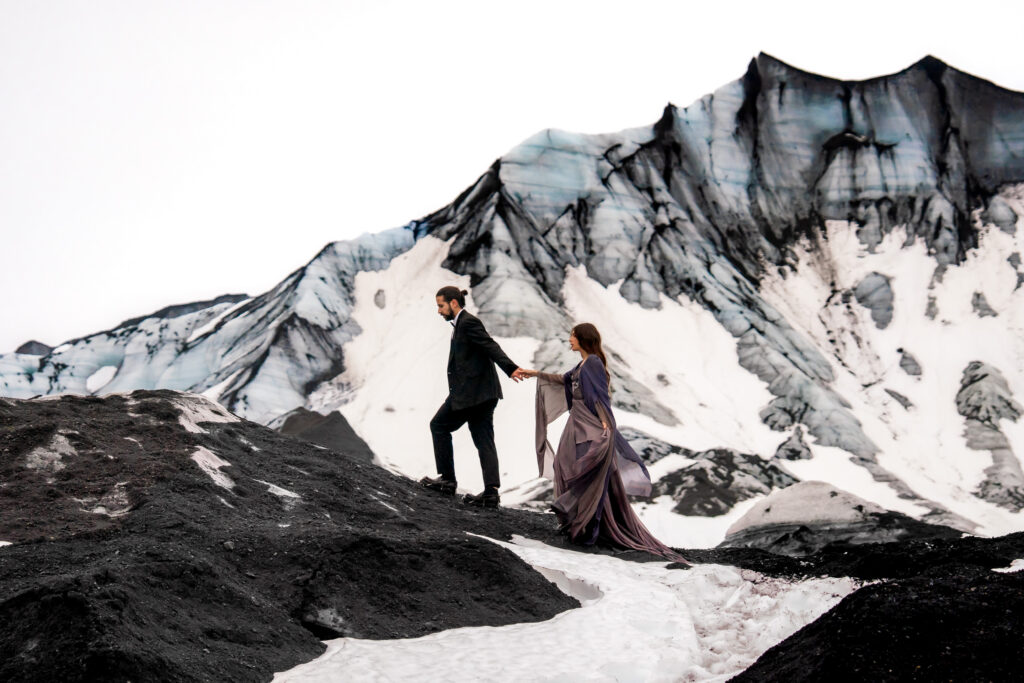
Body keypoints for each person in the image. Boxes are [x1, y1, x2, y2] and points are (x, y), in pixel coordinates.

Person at [522, 323, 687, 562]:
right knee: (564, 466)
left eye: (572, 336)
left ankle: (589, 527)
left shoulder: (593, 364)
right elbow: (563, 380)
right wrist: (535, 373)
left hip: (590, 425)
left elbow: (600, 396)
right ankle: (577, 520)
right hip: (576, 424)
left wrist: (605, 425)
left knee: (587, 470)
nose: (569, 339)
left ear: (582, 339)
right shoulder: (583, 363)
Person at [420, 286, 529, 507]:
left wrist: (510, 368)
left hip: (471, 394)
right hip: (483, 394)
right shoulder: (461, 323)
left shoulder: (468, 322)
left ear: (453, 303)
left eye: (440, 306)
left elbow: (490, 345)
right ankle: (491, 493)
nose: (439, 311)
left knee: (439, 426)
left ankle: (448, 481)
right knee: (484, 440)